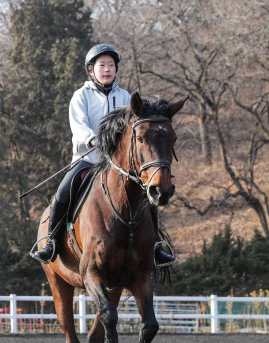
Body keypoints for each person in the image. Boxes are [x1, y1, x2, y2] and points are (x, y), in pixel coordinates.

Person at [33, 44, 176, 266]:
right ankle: (51, 241)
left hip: (119, 165)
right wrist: (92, 139)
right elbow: (78, 127)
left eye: (111, 65)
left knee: (147, 197)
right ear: (91, 71)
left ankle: (156, 245)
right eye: (102, 65)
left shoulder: (125, 96)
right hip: (88, 159)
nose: (107, 69)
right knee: (63, 191)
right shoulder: (80, 96)